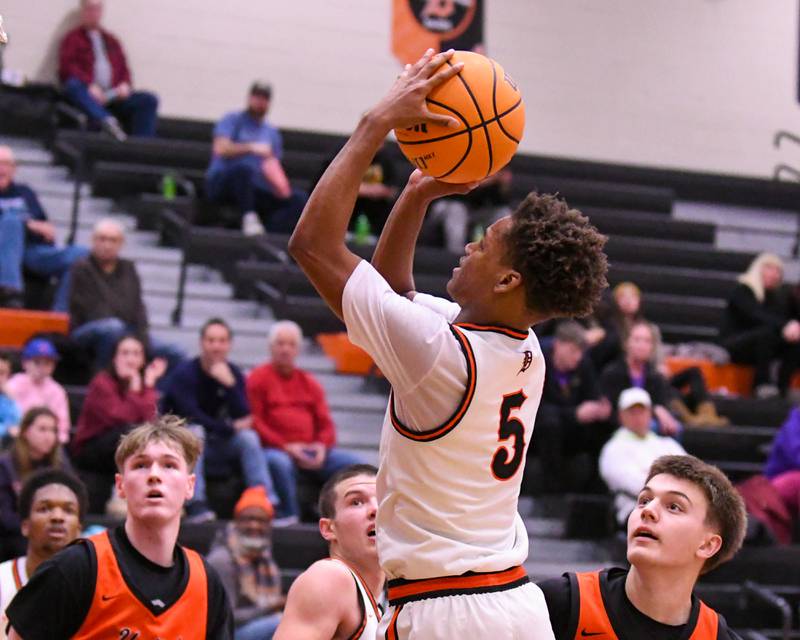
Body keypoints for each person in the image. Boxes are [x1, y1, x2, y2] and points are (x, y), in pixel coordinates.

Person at [287, 48, 608, 639]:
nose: (468, 248)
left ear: (510, 280)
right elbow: (393, 295)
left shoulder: (440, 354)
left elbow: (311, 244)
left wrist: (374, 124)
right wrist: (416, 193)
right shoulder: (523, 349)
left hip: (447, 613)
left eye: (485, 244)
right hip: (515, 603)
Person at [6, 415, 235, 639]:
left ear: (190, 485)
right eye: (141, 465)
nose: (154, 475)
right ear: (121, 485)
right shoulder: (76, 567)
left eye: (169, 465)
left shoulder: (207, 585)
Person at [538, 454, 747, 639]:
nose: (648, 510)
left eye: (673, 506)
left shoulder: (716, 636)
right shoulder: (558, 603)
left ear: (708, 545)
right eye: (644, 500)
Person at [161, 318, 277, 522]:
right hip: (183, 445)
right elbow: (191, 415)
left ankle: (261, 499)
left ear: (229, 345)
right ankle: (195, 503)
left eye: (222, 341)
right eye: (211, 340)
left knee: (248, 438)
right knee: (196, 432)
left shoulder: (232, 373)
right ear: (201, 343)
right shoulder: (185, 373)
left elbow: (245, 416)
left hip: (217, 442)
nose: (216, 346)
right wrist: (228, 427)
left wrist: (230, 385)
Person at [247, 320, 362, 521]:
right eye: (280, 344)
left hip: (311, 449)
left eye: (291, 345)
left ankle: (342, 518)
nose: (285, 350)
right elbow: (256, 422)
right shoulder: (258, 379)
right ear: (271, 348)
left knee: (353, 465)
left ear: (298, 349)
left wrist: (321, 447)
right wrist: (287, 447)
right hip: (277, 449)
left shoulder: (310, 382)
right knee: (278, 462)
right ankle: (290, 515)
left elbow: (326, 424)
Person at [275, 464, 383, 640]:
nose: (376, 510)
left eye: (382, 499)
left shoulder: (381, 604)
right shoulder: (329, 577)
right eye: (356, 502)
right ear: (328, 529)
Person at [68, 218, 183, 368]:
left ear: (121, 244)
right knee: (112, 327)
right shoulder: (81, 268)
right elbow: (94, 311)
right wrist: (128, 338)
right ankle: (104, 382)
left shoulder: (129, 268)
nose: (107, 245)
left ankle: (151, 389)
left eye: (113, 240)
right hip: (87, 330)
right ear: (92, 241)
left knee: (175, 352)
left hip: (127, 331)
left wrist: (141, 338)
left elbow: (137, 307)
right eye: (102, 239)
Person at [205, 82, 307, 236]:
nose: (260, 101)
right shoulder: (232, 120)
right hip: (223, 181)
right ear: (249, 98)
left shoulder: (272, 133)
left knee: (298, 199)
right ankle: (249, 216)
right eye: (257, 96)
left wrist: (282, 188)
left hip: (256, 186)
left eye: (264, 98)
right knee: (244, 170)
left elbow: (272, 165)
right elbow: (221, 148)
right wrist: (251, 147)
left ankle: (269, 235)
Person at [0, 469, 86, 640]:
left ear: (79, 529)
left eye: (68, 510)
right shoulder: (2, 579)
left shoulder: (93, 587)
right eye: (44, 508)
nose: (57, 517)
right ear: (25, 526)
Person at [0, 145, 88, 311]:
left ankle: (59, 315)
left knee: (80, 254)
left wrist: (37, 228)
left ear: (14, 169)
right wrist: (28, 224)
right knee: (10, 222)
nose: (2, 169)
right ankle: (10, 294)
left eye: (6, 164)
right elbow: (25, 225)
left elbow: (46, 229)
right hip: (4, 252)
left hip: (32, 250)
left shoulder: (25, 192)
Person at [530, 321, 612, 494]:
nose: (578, 357)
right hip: (539, 428)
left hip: (571, 426)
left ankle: (595, 492)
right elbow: (536, 407)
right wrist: (574, 414)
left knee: (606, 426)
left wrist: (600, 408)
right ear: (558, 345)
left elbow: (594, 395)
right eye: (573, 351)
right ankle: (551, 491)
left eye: (581, 352)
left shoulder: (583, 364)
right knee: (549, 422)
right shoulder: (538, 360)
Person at [58, 0, 158, 141]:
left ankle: (143, 147)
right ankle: (106, 121)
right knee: (72, 86)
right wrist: (88, 85)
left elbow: (124, 70)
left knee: (149, 99)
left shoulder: (112, 41)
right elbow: (67, 68)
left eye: (97, 9)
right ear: (83, 11)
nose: (94, 13)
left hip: (112, 96)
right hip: (87, 94)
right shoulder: (72, 39)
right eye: (90, 9)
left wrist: (124, 85)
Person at [71, 335, 163, 476]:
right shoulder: (101, 382)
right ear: (114, 358)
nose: (130, 359)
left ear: (143, 360)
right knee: (129, 432)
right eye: (125, 353)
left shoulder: (144, 386)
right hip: (93, 448)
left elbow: (150, 420)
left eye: (136, 354)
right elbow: (119, 417)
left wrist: (148, 385)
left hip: (124, 445)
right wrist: (134, 391)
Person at [599, 388, 687, 527]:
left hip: (674, 509)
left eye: (642, 411)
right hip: (635, 510)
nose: (638, 417)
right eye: (632, 412)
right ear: (621, 415)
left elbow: (690, 473)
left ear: (650, 414)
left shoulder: (668, 444)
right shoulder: (613, 448)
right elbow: (632, 483)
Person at [207, 486, 284, 640]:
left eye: (261, 520)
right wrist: (269, 608)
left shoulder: (265, 558)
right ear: (236, 522)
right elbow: (225, 616)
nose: (254, 525)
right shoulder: (222, 559)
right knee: (281, 623)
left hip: (254, 626)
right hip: (226, 634)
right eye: (248, 519)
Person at [719, 252, 800, 398]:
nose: (774, 274)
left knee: (794, 338)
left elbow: (786, 320)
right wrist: (786, 325)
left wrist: (793, 327)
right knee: (767, 333)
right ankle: (761, 384)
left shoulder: (777, 297)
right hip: (736, 344)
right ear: (758, 269)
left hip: (764, 345)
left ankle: (784, 386)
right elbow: (755, 314)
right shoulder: (742, 290)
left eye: (778, 271)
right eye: (769, 268)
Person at [0, 407, 74, 559]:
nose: (49, 436)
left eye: (53, 430)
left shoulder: (61, 467)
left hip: (51, 534)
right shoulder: (6, 465)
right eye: (42, 429)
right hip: (14, 537)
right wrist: (37, 529)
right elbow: (5, 517)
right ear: (26, 432)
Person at [601, 320, 682, 437]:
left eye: (647, 341)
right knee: (650, 426)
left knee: (675, 427)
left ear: (652, 347)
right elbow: (609, 412)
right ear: (627, 343)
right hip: (619, 427)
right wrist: (650, 412)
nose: (642, 345)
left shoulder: (656, 376)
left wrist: (658, 412)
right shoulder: (611, 373)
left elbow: (662, 407)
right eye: (637, 339)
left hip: (650, 423)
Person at [423, 167, 513, 254]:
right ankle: (456, 255)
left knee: (503, 212)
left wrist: (501, 187)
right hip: (446, 206)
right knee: (457, 210)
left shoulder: (494, 167)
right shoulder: (460, 162)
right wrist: (475, 184)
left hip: (474, 212)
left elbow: (503, 203)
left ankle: (498, 256)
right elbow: (451, 196)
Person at [6, 338, 71, 443]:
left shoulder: (57, 391)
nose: (42, 368)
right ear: (24, 363)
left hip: (49, 441)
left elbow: (63, 427)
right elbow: (8, 418)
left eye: (48, 363)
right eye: (37, 362)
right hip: (18, 439)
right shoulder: (13, 385)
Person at [0, 356, 20, 439]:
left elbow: (15, 423)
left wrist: (11, 399)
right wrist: (6, 429)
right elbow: (10, 429)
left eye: (2, 373)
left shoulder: (6, 397)